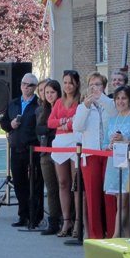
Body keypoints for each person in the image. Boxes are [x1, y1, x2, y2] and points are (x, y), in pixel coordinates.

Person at [73, 72, 117, 239]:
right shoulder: (83, 107)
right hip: (90, 154)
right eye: (91, 84)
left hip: (108, 153)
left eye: (98, 84)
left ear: (104, 87)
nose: (94, 87)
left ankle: (113, 233)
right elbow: (78, 126)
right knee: (92, 195)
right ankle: (95, 235)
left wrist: (102, 98)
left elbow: (114, 113)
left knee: (110, 195)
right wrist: (85, 105)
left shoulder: (109, 103)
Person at [0, 72, 44, 228]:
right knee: (19, 184)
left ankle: (35, 216)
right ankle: (23, 215)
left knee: (35, 184)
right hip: (16, 148)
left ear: (35, 87)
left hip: (33, 149)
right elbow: (3, 123)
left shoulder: (39, 104)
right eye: (24, 84)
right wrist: (10, 125)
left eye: (30, 85)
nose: (26, 87)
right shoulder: (14, 103)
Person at [104, 86, 130, 237]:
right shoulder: (112, 119)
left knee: (123, 201)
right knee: (121, 204)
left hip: (129, 163)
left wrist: (126, 140)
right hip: (114, 163)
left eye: (124, 98)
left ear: (129, 100)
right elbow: (104, 144)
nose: (120, 101)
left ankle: (115, 236)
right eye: (117, 98)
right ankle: (128, 236)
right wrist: (109, 144)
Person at [48, 70, 82, 237]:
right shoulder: (59, 102)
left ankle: (77, 222)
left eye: (71, 82)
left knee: (76, 183)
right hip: (60, 143)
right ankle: (66, 220)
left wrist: (65, 125)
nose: (68, 86)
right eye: (65, 82)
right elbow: (50, 122)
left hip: (76, 142)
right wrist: (64, 122)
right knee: (62, 182)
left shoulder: (81, 101)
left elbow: (78, 123)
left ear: (76, 84)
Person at [36, 79, 62, 235]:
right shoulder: (42, 110)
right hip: (46, 152)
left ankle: (68, 220)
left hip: (62, 151)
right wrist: (53, 126)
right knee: (51, 189)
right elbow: (39, 130)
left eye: (52, 92)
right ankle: (53, 222)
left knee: (64, 186)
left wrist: (51, 127)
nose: (50, 95)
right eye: (47, 93)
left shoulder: (62, 107)